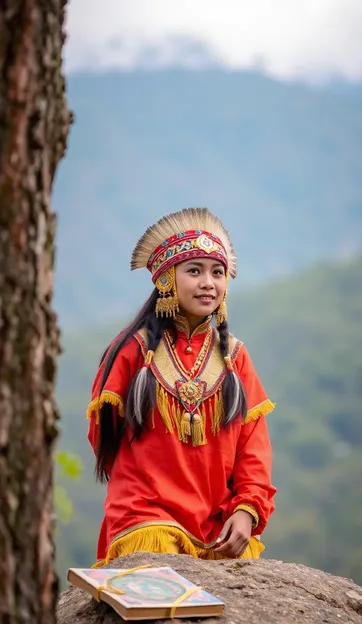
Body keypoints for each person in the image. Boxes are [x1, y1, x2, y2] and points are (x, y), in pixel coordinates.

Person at [86, 207, 277, 567]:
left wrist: (248, 508)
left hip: (216, 524)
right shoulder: (131, 351)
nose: (209, 283)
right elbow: (103, 436)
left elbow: (254, 445)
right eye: (195, 271)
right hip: (144, 516)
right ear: (165, 281)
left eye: (217, 272)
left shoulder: (235, 356)